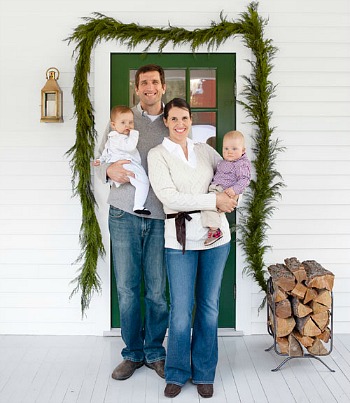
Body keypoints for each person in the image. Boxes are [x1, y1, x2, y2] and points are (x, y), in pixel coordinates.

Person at [147, 98, 237, 399]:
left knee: (209, 308)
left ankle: (204, 373)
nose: (180, 124)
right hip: (180, 240)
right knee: (181, 310)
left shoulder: (204, 151)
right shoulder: (158, 155)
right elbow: (170, 198)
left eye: (184, 118)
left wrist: (232, 195)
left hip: (216, 238)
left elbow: (228, 174)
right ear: (166, 122)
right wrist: (213, 201)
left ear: (190, 119)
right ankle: (176, 372)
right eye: (173, 119)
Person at [96, 64, 169, 381]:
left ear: (163, 87)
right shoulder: (123, 119)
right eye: (144, 83)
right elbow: (98, 160)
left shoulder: (173, 121)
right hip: (123, 213)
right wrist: (108, 172)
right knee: (127, 289)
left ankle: (155, 352)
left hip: (161, 216)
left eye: (155, 82)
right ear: (137, 88)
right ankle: (132, 354)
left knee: (156, 291)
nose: (150, 87)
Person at [93, 105, 151, 215]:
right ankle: (138, 205)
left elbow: (106, 152)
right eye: (123, 123)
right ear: (113, 125)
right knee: (143, 182)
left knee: (142, 183)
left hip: (158, 215)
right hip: (127, 166)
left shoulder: (113, 138)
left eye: (130, 122)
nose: (127, 126)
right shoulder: (118, 138)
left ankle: (138, 205)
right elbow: (130, 147)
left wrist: (101, 160)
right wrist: (107, 169)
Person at [202, 130, 251, 246]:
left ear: (243, 150)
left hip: (225, 190)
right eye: (226, 149)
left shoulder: (241, 164)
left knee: (208, 205)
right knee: (207, 206)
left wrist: (234, 190)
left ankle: (215, 231)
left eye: (234, 149)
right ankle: (213, 228)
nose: (229, 152)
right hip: (217, 189)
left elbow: (245, 179)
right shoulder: (223, 161)